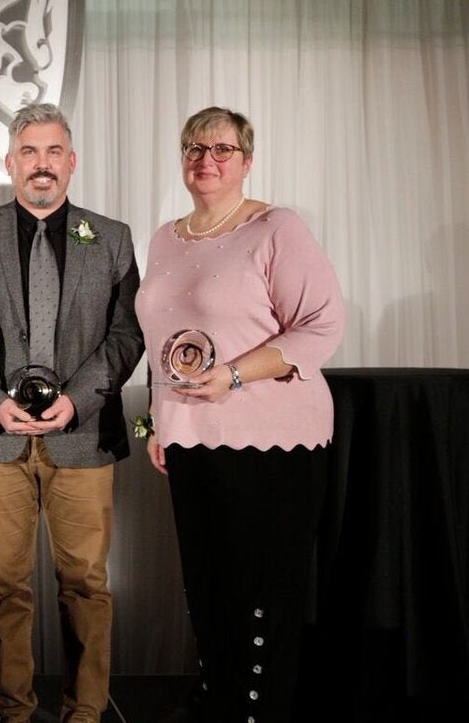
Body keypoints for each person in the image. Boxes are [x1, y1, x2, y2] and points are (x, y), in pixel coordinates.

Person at [135, 106, 345, 723]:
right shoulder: (165, 237)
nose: (207, 160)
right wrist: (158, 421)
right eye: (195, 148)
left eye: (223, 150)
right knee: (207, 586)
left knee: (260, 594)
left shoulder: (277, 228)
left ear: (247, 161)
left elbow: (322, 325)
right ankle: (222, 698)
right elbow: (160, 342)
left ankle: (257, 710)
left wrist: (231, 374)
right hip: (192, 435)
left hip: (273, 437)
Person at [0, 103, 143, 723]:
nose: (42, 165)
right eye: (30, 153)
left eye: (54, 152)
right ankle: (12, 709)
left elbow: (126, 335)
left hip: (83, 437)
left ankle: (85, 711)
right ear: (10, 163)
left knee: (86, 584)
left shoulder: (111, 236)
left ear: (72, 161)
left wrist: (78, 398)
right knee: (4, 585)